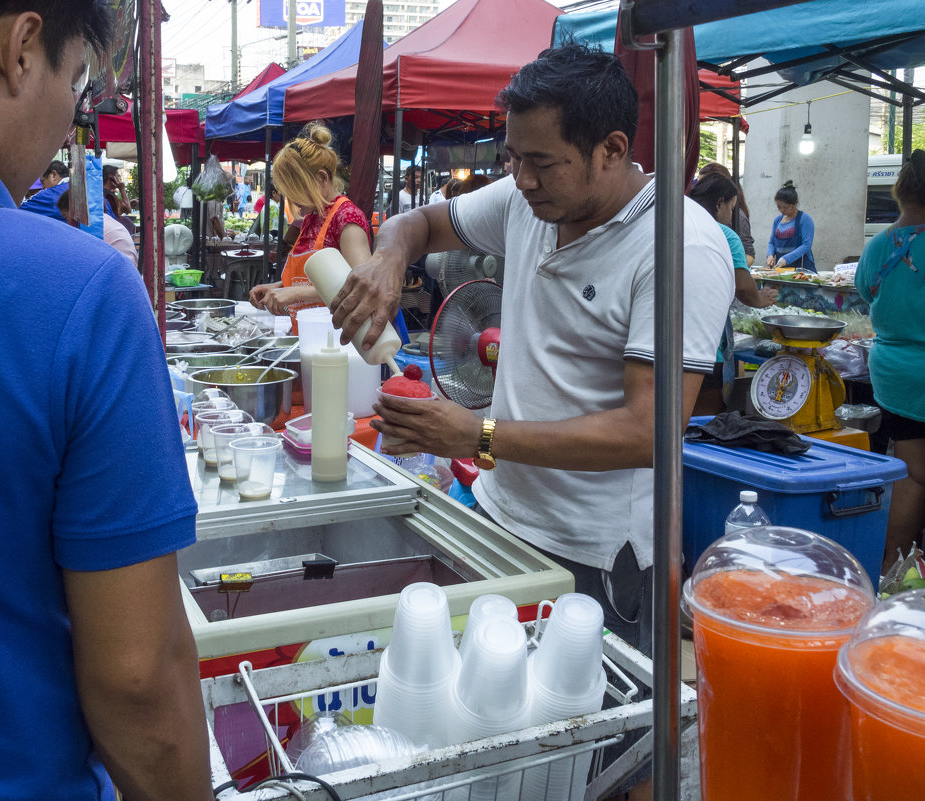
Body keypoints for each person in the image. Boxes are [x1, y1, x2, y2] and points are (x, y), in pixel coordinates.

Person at [0, 5, 213, 801]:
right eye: (80, 82)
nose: (73, 119)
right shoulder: (75, 289)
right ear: (21, 49)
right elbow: (137, 682)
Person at [329, 42, 734, 652]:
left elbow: (649, 431)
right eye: (513, 157)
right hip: (499, 515)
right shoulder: (529, 204)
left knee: (591, 730)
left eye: (541, 162)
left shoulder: (679, 248)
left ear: (613, 150)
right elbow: (419, 224)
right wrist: (389, 257)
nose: (521, 179)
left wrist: (478, 435)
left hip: (596, 553)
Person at [855, 150, 925, 573]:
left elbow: (866, 293)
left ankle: (892, 568)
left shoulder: (880, 244)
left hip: (894, 372)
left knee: (912, 471)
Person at [248, 123, 372, 332]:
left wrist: (294, 294)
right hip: (310, 335)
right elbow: (315, 280)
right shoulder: (311, 219)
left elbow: (363, 287)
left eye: (297, 189)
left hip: (339, 341)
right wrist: (277, 288)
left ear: (322, 178)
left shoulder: (347, 218)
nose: (293, 199)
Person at [688, 172, 778, 415]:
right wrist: (761, 299)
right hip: (706, 347)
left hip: (659, 344)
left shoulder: (671, 224)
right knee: (701, 424)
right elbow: (743, 288)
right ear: (719, 203)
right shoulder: (725, 235)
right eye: (731, 208)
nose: (731, 216)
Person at [57, 186, 137, 266]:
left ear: (75, 211)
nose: (67, 223)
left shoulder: (92, 227)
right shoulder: (103, 220)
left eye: (66, 217)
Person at [698, 161, 754, 265]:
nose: (698, 188)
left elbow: (749, 254)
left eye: (704, 183)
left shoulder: (736, 222)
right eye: (698, 183)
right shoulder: (697, 216)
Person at [767, 180, 816, 273]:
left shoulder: (804, 219)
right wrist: (770, 255)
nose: (782, 210)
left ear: (795, 203)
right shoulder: (777, 220)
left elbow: (806, 245)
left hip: (801, 268)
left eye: (786, 207)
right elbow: (772, 243)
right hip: (781, 269)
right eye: (779, 207)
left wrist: (786, 259)